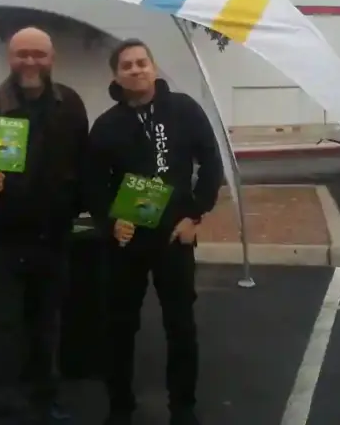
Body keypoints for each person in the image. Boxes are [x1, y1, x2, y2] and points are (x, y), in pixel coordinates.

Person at [0, 26, 90, 425]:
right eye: (22, 54)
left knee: (47, 322)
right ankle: (1, 403)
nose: (30, 61)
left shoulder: (70, 105)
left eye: (38, 54)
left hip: (52, 235)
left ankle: (47, 399)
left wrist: (81, 208)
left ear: (52, 58)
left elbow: (85, 164)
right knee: (0, 325)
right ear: (9, 59)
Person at [85, 39, 223, 425]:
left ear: (154, 67)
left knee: (180, 325)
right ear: (116, 76)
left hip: (173, 236)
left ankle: (183, 407)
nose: (136, 69)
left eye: (142, 62)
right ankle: (120, 407)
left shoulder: (184, 110)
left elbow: (210, 163)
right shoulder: (107, 125)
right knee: (119, 326)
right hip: (126, 239)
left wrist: (194, 215)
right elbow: (92, 183)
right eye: (127, 65)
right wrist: (110, 222)